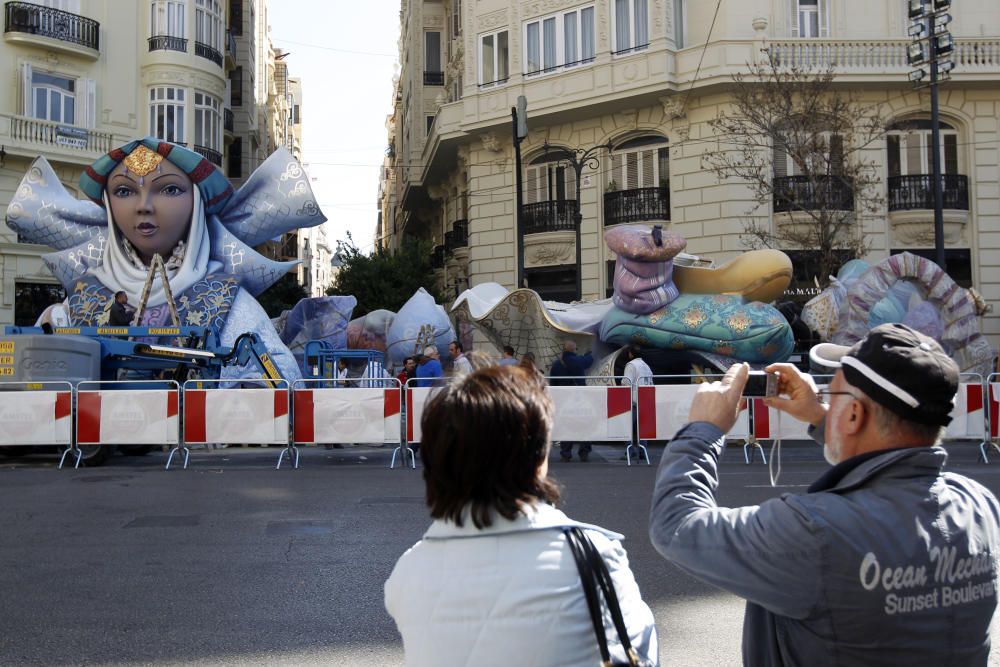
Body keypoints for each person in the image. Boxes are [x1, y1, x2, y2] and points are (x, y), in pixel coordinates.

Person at [649, 323, 1000, 666]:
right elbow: (884, 454)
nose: (825, 399)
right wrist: (821, 416)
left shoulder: (815, 530)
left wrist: (703, 431)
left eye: (832, 393)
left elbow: (676, 526)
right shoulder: (980, 506)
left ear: (854, 415)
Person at [385, 365, 659, 665]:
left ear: (436, 459)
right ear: (538, 456)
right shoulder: (593, 557)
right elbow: (642, 653)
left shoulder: (407, 573)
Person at [5, 137, 325, 381]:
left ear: (196, 204)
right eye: (125, 191)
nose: (144, 206)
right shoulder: (84, 298)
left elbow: (282, 377)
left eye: (169, 190)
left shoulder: (227, 302)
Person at [549, 340, 594, 462]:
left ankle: (566, 453)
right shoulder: (579, 361)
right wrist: (589, 354)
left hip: (563, 400)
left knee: (566, 426)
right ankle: (584, 453)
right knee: (584, 425)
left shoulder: (556, 364)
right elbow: (589, 360)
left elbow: (552, 383)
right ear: (574, 350)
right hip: (580, 399)